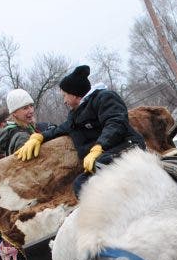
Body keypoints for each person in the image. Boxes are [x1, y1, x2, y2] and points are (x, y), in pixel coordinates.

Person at [14, 65, 145, 195]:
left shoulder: (104, 98)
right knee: (80, 185)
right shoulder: (75, 114)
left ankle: (133, 193)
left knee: (99, 164)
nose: (64, 101)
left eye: (65, 95)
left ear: (75, 95)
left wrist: (99, 147)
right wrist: (39, 137)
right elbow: (61, 129)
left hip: (126, 145)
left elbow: (115, 122)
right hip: (101, 156)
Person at [0, 89, 54, 163]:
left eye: (31, 106)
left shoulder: (24, 128)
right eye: (25, 108)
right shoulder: (21, 136)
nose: (31, 111)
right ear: (14, 113)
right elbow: (31, 165)